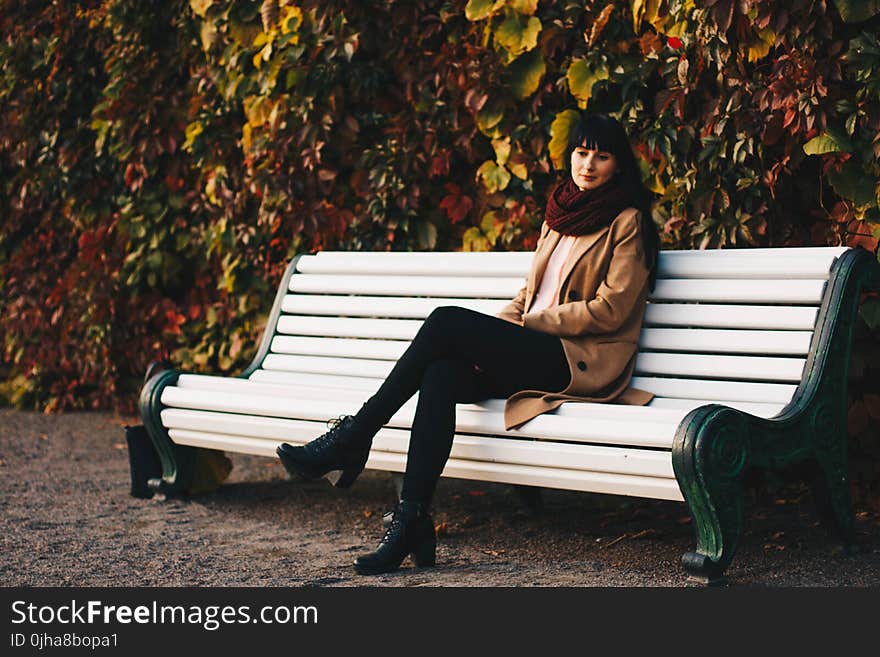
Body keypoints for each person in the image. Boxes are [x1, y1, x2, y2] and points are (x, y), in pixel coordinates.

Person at [276, 113, 660, 576]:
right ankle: (411, 518)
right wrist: (499, 336)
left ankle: (356, 435)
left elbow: (612, 308)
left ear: (619, 165)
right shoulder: (560, 214)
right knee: (441, 373)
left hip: (580, 360)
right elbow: (527, 295)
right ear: (570, 156)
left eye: (602, 155)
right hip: (536, 348)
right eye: (582, 153)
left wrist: (531, 326)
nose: (589, 165)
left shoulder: (627, 222)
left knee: (444, 323)